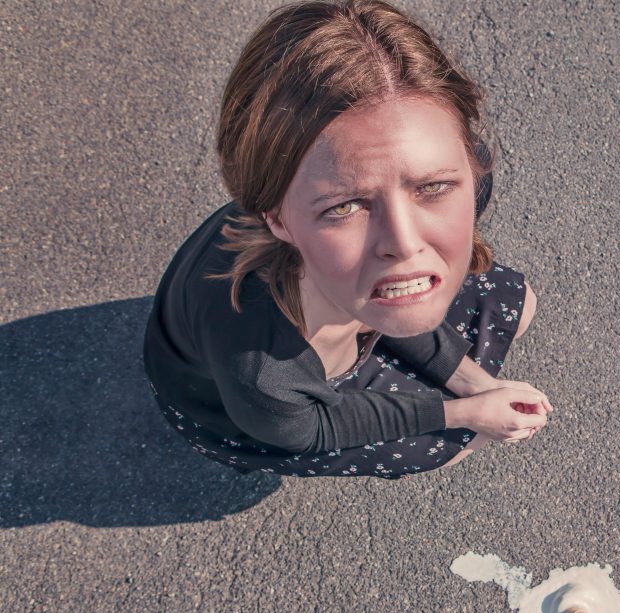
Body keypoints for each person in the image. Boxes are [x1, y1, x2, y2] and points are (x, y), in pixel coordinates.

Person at [142, 0, 553, 479]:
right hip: (244, 412)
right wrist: (465, 414)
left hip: (337, 311)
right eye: (344, 206)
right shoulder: (261, 369)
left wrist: (477, 383)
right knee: (448, 444)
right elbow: (316, 426)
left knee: (518, 306)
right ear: (275, 217)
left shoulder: (455, 187)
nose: (404, 243)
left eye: (432, 187)